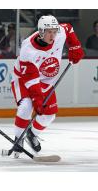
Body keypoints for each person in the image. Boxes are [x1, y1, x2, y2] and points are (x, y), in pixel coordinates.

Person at [11, 15, 84, 155]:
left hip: (45, 82)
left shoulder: (59, 33)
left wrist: (75, 46)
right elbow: (31, 79)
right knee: (26, 106)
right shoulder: (28, 49)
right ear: (41, 32)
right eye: (49, 32)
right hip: (24, 79)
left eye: (54, 31)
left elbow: (68, 28)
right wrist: (37, 100)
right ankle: (18, 137)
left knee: (49, 115)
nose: (53, 35)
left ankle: (32, 133)